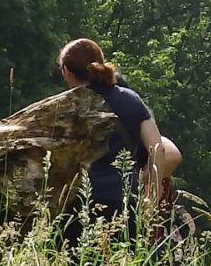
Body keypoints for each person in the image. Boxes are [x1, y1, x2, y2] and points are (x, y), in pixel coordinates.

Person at [57, 37, 180, 229]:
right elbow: (159, 150)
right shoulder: (131, 99)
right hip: (124, 203)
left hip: (77, 206)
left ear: (66, 71)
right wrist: (151, 202)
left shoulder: (62, 107)